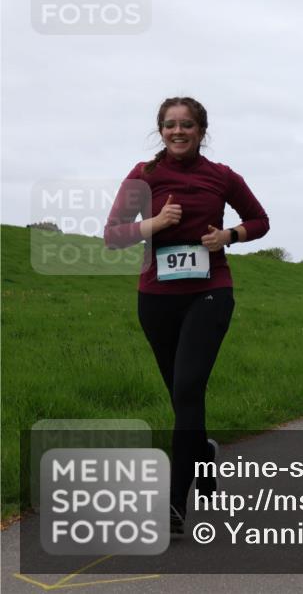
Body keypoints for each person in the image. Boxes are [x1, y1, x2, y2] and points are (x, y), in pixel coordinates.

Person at [104, 96, 270, 535]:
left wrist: (229, 235)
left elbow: (260, 220)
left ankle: (175, 505)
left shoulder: (221, 176)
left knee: (188, 389)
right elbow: (113, 236)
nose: (178, 131)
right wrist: (155, 223)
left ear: (201, 130)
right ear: (160, 130)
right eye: (170, 125)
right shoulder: (143, 175)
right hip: (156, 297)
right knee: (181, 399)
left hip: (209, 292)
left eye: (187, 124)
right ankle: (203, 454)